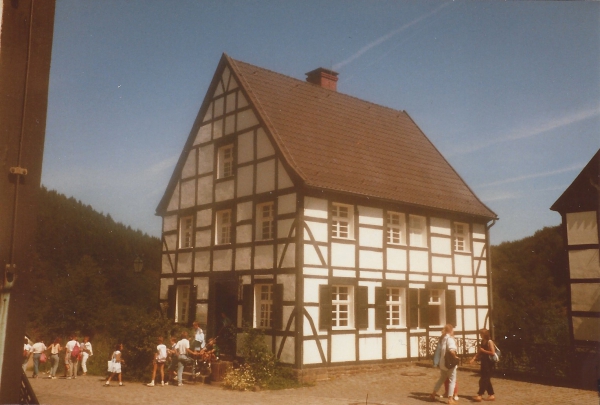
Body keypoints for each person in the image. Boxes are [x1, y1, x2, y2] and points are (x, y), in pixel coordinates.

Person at [430, 324, 459, 405]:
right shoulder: (450, 339)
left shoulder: (443, 338)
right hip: (449, 364)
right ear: (451, 330)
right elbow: (451, 350)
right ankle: (450, 399)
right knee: (452, 380)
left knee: (441, 379)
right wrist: (456, 357)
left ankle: (433, 394)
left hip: (442, 363)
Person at [469, 328, 496, 402]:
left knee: (483, 379)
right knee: (486, 379)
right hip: (484, 362)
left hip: (489, 363)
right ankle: (491, 395)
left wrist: (484, 351)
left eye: (481, 333)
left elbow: (493, 352)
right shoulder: (482, 341)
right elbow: (480, 352)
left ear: (484, 334)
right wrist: (474, 358)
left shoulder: (489, 342)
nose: (480, 335)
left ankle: (480, 395)